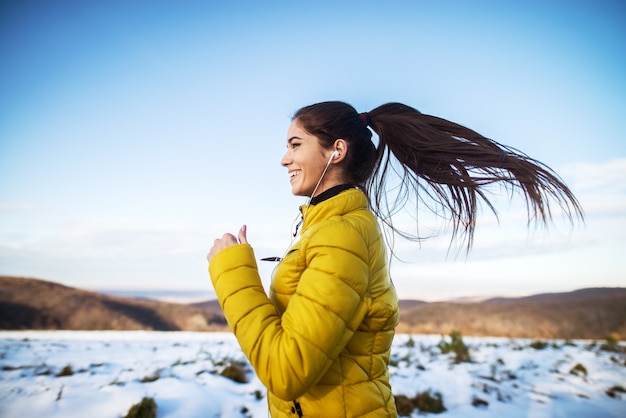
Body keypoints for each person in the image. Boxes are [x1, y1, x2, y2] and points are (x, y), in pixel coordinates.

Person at [206, 101, 583, 417]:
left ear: (336, 151)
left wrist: (233, 273)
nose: (284, 159)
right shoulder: (328, 227)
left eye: (295, 144)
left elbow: (288, 369)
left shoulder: (341, 236)